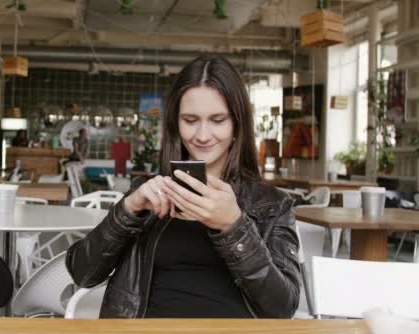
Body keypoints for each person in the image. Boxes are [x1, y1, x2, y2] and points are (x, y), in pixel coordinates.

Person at [66, 55, 300, 319]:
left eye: (218, 120)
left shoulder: (273, 205)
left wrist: (234, 226)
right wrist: (128, 209)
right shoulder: (148, 194)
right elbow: (82, 274)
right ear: (176, 124)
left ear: (237, 124)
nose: (202, 135)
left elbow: (282, 308)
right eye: (190, 120)